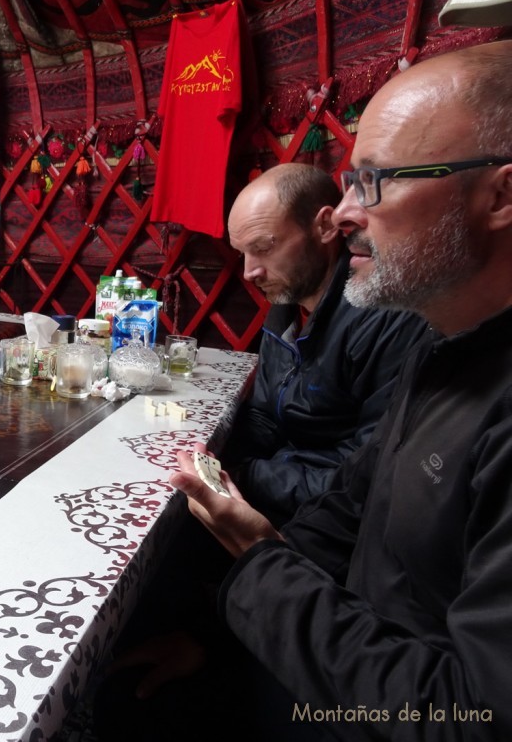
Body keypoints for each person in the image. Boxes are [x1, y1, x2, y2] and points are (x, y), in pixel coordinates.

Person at [170, 40, 512, 740]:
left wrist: (261, 568)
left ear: (500, 195)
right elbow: (347, 509)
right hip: (328, 661)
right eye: (349, 182)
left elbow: (473, 718)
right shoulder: (444, 351)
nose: (345, 213)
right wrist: (215, 626)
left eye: (375, 182)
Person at [221, 163, 426, 526]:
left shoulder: (383, 318)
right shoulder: (284, 306)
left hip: (334, 522)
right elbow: (265, 415)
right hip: (286, 483)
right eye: (242, 254)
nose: (250, 272)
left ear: (326, 226)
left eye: (264, 246)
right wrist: (216, 455)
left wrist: (248, 475)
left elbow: (365, 477)